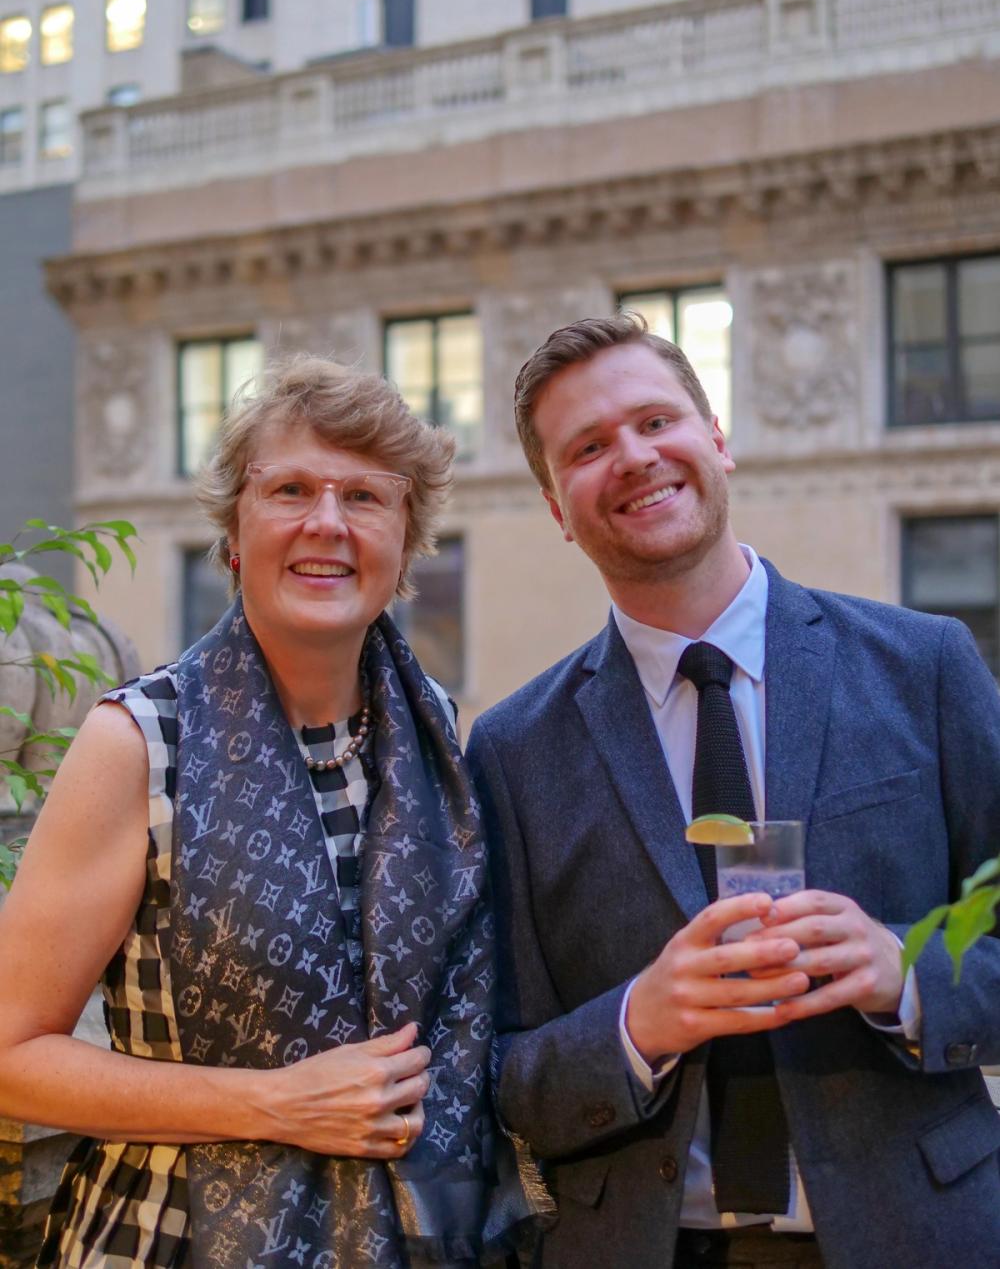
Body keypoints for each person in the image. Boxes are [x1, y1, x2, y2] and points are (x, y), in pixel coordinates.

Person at [465, 315, 1000, 1269]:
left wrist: (906, 976)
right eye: (587, 448)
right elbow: (498, 1069)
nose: (632, 456)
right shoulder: (511, 749)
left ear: (717, 439)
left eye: (655, 421)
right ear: (555, 504)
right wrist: (634, 1025)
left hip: (922, 1233)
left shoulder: (926, 666)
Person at [0, 358, 549, 1268]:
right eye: (290, 488)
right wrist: (275, 1101)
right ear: (232, 535)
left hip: (413, 1237)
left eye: (365, 497)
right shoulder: (139, 743)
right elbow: (12, 1049)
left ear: (405, 539)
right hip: (171, 1236)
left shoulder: (445, 739)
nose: (326, 522)